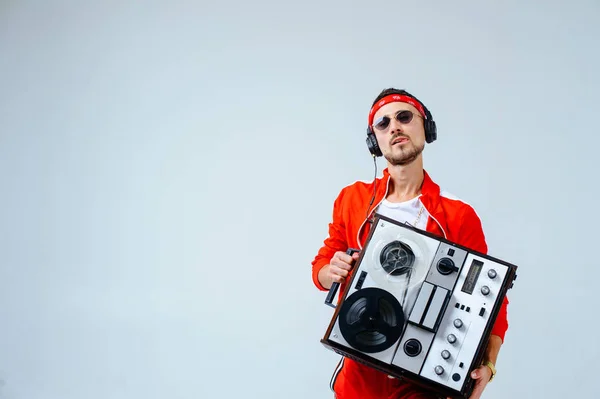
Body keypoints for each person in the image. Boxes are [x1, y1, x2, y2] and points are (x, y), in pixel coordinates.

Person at [311, 88, 509, 399]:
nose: (394, 127)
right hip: (359, 379)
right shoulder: (352, 200)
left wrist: (489, 364)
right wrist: (330, 270)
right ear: (373, 140)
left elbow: (493, 299)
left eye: (404, 117)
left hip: (423, 383)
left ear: (425, 127)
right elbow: (321, 267)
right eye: (383, 123)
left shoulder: (458, 215)